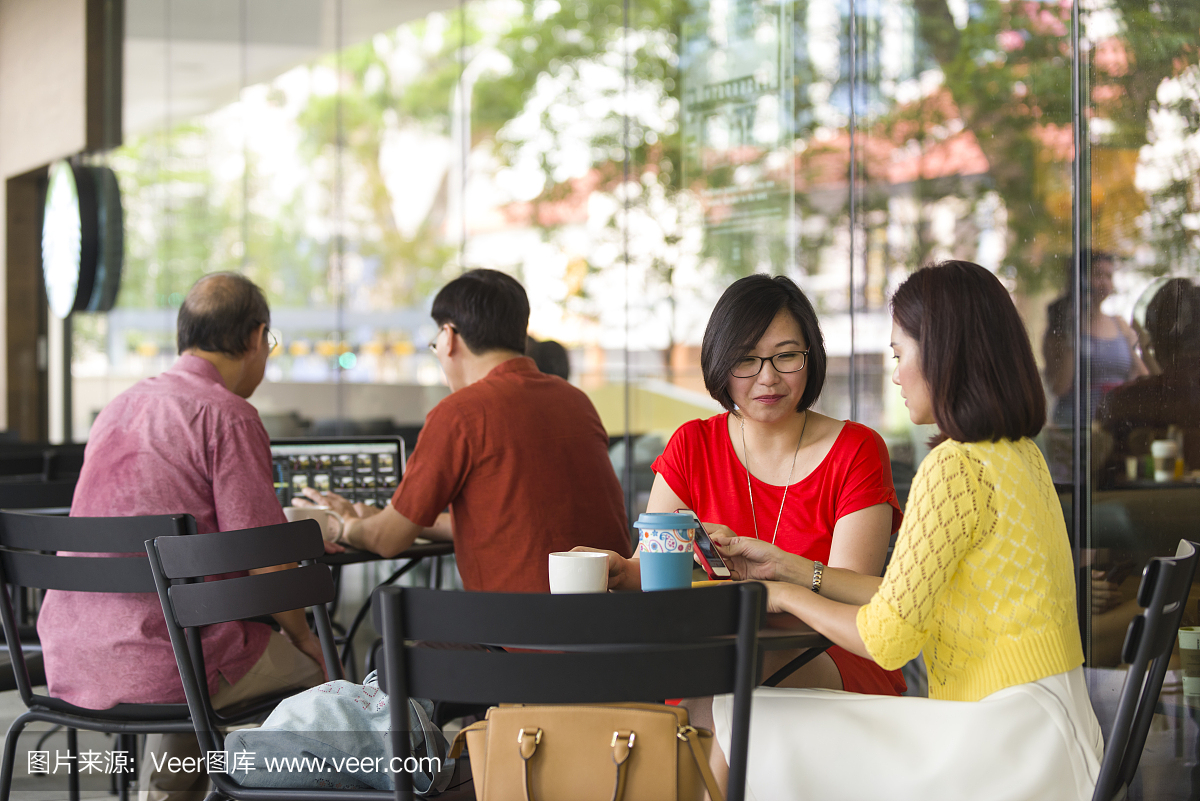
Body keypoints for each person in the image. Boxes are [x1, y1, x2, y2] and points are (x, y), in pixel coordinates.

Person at [701, 261, 1103, 800]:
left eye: (898, 353)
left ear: (942, 353)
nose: (895, 374)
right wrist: (785, 564)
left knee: (747, 721)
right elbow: (903, 601)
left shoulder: (953, 468)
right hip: (1057, 731)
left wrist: (782, 594)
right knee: (756, 720)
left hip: (1002, 742)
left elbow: (887, 640)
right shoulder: (1018, 456)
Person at [36, 273, 328, 801]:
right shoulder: (227, 416)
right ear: (258, 337)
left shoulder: (117, 410)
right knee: (320, 679)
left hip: (70, 656)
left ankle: (166, 795)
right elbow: (266, 562)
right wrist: (306, 639)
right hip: (169, 663)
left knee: (193, 631)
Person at [590, 274, 905, 695]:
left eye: (786, 356)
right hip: (714, 653)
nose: (768, 378)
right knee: (703, 664)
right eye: (746, 360)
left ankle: (689, 761)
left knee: (724, 665)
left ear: (811, 358)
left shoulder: (857, 449)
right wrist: (614, 569)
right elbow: (653, 568)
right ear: (720, 363)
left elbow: (853, 594)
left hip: (827, 655)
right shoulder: (692, 444)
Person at [309, 268, 632, 591]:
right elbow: (515, 524)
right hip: (609, 626)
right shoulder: (575, 401)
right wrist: (393, 518)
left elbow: (386, 541)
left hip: (519, 633)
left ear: (448, 338)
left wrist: (345, 526)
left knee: (391, 632)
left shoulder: (460, 413)